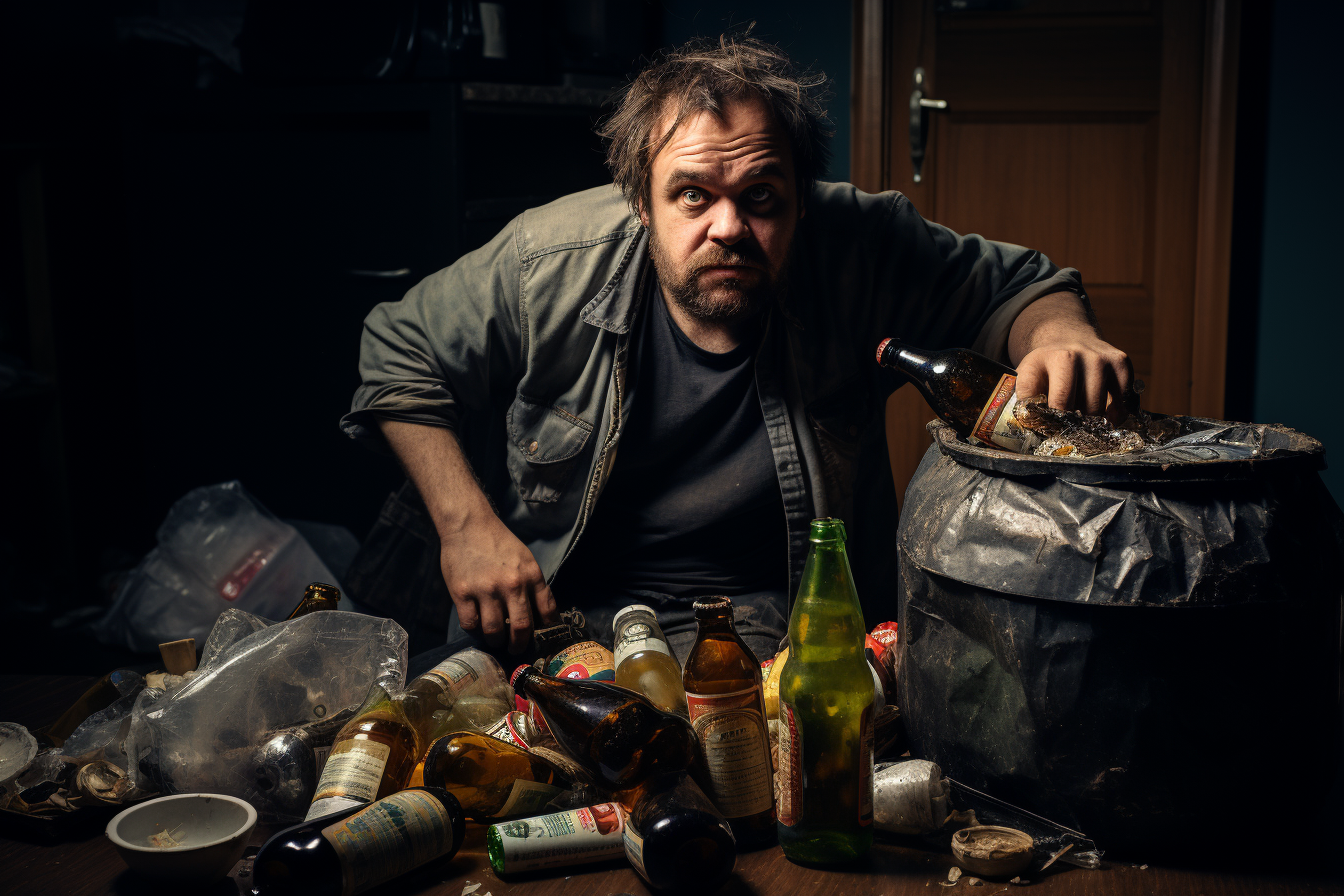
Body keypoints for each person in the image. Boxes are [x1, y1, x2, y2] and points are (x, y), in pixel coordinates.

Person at [339, 36, 1133, 665]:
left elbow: (1025, 284)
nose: (728, 227)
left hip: (761, 618)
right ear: (640, 201)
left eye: (760, 198)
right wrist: (466, 525)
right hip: (556, 606)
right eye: (693, 195)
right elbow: (397, 347)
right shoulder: (547, 260)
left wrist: (1060, 334)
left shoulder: (859, 243)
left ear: (801, 200)